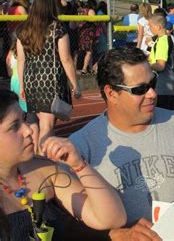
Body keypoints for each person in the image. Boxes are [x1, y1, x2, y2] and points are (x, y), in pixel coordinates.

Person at [69, 47, 174, 239]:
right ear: (111, 93)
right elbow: (67, 221)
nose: (152, 93)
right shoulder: (80, 148)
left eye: (153, 83)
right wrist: (117, 235)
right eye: (140, 89)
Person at [0, 88, 126, 240]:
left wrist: (79, 165)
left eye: (24, 118)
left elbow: (112, 218)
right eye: (14, 126)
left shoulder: (45, 170)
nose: (29, 130)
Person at [16, 0, 81, 152]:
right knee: (47, 125)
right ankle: (43, 160)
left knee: (38, 123)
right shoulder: (57, 28)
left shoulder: (23, 29)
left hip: (31, 79)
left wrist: (22, 85)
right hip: (50, 80)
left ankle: (38, 156)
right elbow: (66, 59)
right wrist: (75, 84)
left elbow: (21, 59)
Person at [148, 14, 174, 110]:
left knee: (165, 113)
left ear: (158, 27)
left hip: (164, 83)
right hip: (164, 83)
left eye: (151, 26)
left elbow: (160, 66)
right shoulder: (161, 40)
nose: (149, 29)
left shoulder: (163, 41)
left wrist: (146, 65)